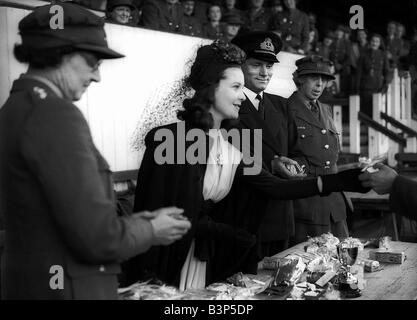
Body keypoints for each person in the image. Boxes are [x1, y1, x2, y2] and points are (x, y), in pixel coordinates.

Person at [124, 40, 369, 289]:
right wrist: (229, 233)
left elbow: (273, 186)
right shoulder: (172, 139)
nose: (242, 95)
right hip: (170, 261)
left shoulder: (232, 140)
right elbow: (162, 212)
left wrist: (343, 180)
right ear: (210, 88)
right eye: (235, 86)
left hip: (211, 258)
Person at [0, 3, 192, 300]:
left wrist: (142, 222)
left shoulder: (17, 107)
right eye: (93, 61)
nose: (97, 76)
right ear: (62, 52)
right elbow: (94, 238)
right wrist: (151, 229)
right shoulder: (54, 115)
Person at [230, 31, 307, 258]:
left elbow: (298, 152)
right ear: (240, 66)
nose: (265, 73)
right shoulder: (229, 105)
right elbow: (232, 158)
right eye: (256, 65)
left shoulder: (281, 105)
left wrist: (296, 166)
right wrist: (272, 165)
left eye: (269, 66)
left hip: (281, 212)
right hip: (245, 213)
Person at [287, 55, 351, 244]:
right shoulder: (285, 109)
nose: (319, 85)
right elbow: (282, 156)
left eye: (324, 80)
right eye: (314, 78)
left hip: (334, 203)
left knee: (343, 259)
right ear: (299, 79)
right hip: (307, 203)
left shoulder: (325, 109)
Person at [356, 33, 390, 117]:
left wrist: (386, 83)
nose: (374, 43)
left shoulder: (383, 55)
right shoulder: (363, 54)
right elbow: (359, 72)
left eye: (377, 42)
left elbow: (386, 71)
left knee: (376, 109)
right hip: (365, 86)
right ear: (370, 42)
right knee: (365, 109)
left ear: (379, 43)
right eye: (373, 41)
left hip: (378, 86)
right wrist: (357, 87)